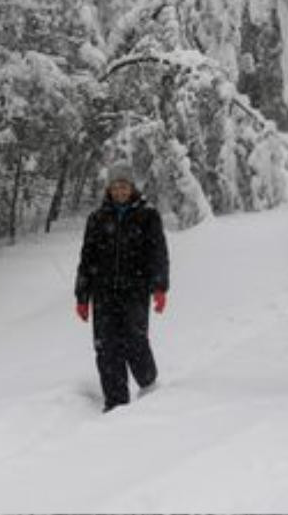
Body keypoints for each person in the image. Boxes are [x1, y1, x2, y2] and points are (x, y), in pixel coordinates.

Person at [74, 164, 169, 413]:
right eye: (115, 186)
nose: (120, 190)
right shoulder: (97, 219)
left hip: (135, 291)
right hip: (103, 293)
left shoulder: (148, 216)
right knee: (106, 347)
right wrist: (82, 296)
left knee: (134, 340)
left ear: (132, 187)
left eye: (124, 185)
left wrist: (159, 287)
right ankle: (115, 404)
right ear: (109, 188)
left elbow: (158, 253)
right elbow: (87, 258)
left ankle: (149, 387)